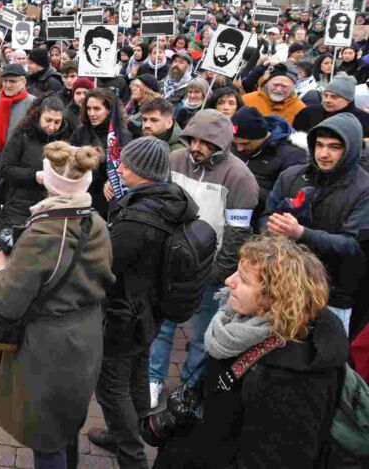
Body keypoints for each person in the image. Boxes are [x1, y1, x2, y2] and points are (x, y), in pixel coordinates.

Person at [152, 236, 348, 469]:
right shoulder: (240, 324)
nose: (229, 281)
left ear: (276, 297)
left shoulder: (292, 378)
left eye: (244, 280)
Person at [0, 141, 114, 469]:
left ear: (49, 182)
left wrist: (0, 269)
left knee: (45, 436)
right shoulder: (95, 221)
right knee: (66, 422)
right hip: (86, 333)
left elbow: (8, 302)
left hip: (49, 345)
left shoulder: (44, 231)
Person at [88, 137, 198, 469]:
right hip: (150, 310)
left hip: (125, 312)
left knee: (110, 387)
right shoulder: (173, 197)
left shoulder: (139, 218)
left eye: (126, 165)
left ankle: (132, 456)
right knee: (136, 375)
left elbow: (105, 263)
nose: (119, 169)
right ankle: (132, 431)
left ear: (144, 172)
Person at [148, 110, 258, 407]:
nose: (196, 147)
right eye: (193, 139)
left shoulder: (241, 178)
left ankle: (190, 386)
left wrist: (217, 272)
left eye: (205, 142)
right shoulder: (173, 160)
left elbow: (238, 233)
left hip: (208, 269)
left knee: (202, 334)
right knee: (161, 326)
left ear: (221, 144)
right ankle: (153, 379)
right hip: (170, 261)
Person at [261, 113, 369, 335]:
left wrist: (301, 233)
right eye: (319, 145)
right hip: (283, 285)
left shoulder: (364, 189)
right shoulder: (292, 175)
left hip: (332, 295)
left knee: (321, 361)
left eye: (334, 147)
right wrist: (272, 227)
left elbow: (355, 245)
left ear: (351, 149)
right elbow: (266, 216)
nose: (324, 154)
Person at [0, 95, 73, 233]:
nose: (52, 127)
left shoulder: (65, 138)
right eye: (48, 120)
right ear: (39, 115)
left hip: (52, 205)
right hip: (19, 206)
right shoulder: (22, 135)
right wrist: (34, 175)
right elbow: (4, 168)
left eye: (57, 122)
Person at [231, 107, 306, 221]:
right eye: (235, 143)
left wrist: (246, 188)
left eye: (245, 143)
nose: (239, 149)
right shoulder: (235, 147)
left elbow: (289, 203)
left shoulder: (292, 156)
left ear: (261, 136)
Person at [70, 88, 131, 219]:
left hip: (107, 199)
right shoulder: (81, 131)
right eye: (88, 108)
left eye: (97, 109)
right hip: (82, 195)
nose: (92, 113)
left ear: (109, 110)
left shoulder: (120, 135)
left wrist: (112, 179)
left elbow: (127, 166)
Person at [0, 64, 35, 153]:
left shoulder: (33, 103)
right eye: (5, 81)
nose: (7, 85)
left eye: (12, 81)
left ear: (23, 82)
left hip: (18, 156)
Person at [293, 74, 369, 137]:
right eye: (326, 95)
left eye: (334, 97)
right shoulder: (308, 112)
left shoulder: (363, 120)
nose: (327, 100)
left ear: (348, 100)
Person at [241, 64, 306, 125]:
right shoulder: (246, 100)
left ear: (293, 87)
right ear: (268, 83)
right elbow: (233, 127)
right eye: (275, 85)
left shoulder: (300, 110)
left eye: (284, 86)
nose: (278, 89)